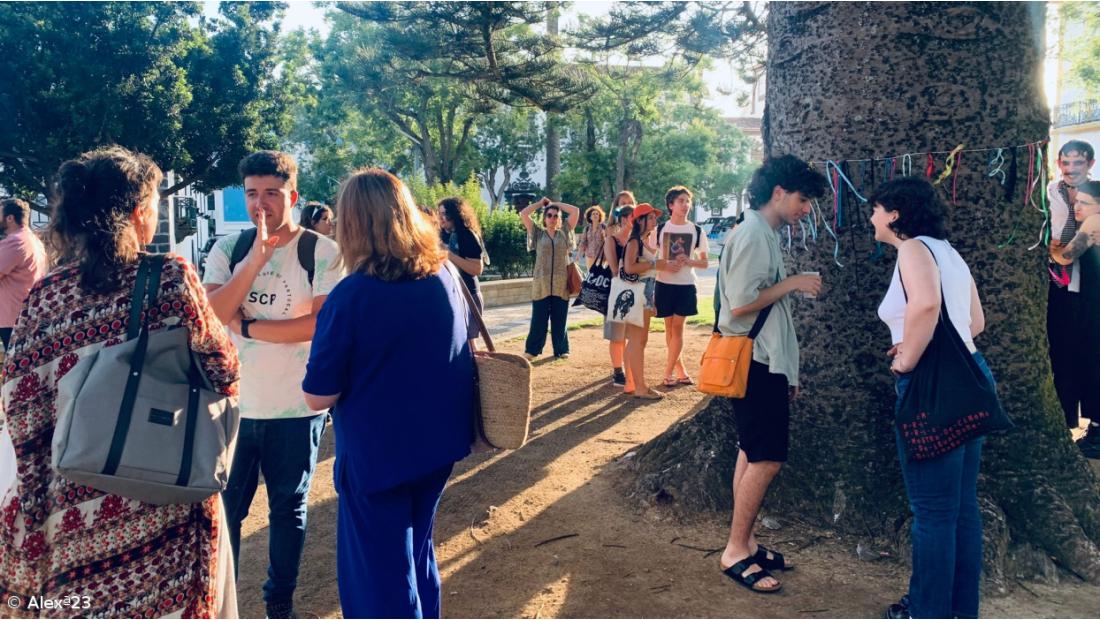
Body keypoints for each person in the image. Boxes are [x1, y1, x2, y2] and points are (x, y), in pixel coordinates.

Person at [0, 146, 240, 618]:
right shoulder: (170, 277)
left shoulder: (45, 296)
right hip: (163, 490)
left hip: (72, 502)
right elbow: (223, 371)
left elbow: (22, 407)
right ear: (137, 211)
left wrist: (36, 505)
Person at [303, 168, 472, 618]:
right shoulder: (444, 277)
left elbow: (317, 396)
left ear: (353, 224)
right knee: (418, 554)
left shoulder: (351, 296)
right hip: (439, 444)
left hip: (378, 456)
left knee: (380, 580)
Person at [202, 150, 343, 619]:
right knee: (226, 513)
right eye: (251, 194)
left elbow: (320, 324)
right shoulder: (229, 250)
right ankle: (225, 599)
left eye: (272, 193)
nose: (261, 204)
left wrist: (248, 328)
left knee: (288, 509)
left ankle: (279, 600)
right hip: (235, 406)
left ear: (293, 196)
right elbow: (213, 315)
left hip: (296, 407)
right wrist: (257, 258)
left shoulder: (321, 251)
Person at [871, 177, 991, 619]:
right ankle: (960, 611)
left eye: (876, 208)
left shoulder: (913, 249)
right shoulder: (949, 252)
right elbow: (974, 321)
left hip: (931, 384)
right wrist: (910, 342)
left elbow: (925, 307)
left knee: (933, 511)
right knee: (961, 507)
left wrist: (906, 358)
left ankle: (926, 612)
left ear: (895, 214)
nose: (871, 217)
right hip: (971, 374)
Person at [717, 155, 825, 594]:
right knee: (766, 457)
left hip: (764, 361)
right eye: (802, 199)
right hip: (757, 362)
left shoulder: (760, 233)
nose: (806, 209)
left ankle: (745, 542)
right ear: (778, 192)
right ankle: (735, 551)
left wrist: (789, 369)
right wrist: (795, 282)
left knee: (752, 451)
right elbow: (741, 303)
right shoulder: (755, 234)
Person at [1046, 140, 1096, 441]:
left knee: (1088, 354)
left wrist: (1056, 250)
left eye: (1078, 163)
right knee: (1060, 352)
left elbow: (1065, 253)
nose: (1071, 169)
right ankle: (1065, 421)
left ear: (1090, 164)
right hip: (1057, 285)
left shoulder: (1096, 195)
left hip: (1087, 283)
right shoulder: (1050, 192)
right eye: (1065, 163)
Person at [654, 186, 710, 387]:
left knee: (677, 329)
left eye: (688, 201)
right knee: (669, 329)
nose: (686, 205)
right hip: (664, 284)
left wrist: (689, 261)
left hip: (686, 285)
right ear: (671, 205)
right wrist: (664, 264)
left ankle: (668, 372)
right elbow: (649, 257)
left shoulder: (696, 231)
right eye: (681, 201)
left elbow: (705, 263)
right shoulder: (660, 229)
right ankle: (680, 370)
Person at [519, 197, 581, 360]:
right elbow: (524, 214)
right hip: (541, 284)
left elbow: (575, 211)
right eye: (550, 215)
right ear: (544, 218)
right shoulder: (538, 233)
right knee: (538, 319)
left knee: (560, 319)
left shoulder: (565, 232)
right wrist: (541, 204)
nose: (553, 218)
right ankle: (532, 350)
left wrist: (555, 204)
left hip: (561, 283)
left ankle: (561, 349)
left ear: (559, 219)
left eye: (556, 216)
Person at [621, 203, 664, 400]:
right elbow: (629, 268)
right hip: (636, 296)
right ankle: (640, 386)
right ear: (641, 220)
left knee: (639, 341)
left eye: (655, 217)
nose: (655, 220)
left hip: (643, 296)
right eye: (651, 217)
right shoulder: (634, 241)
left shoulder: (643, 241)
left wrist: (652, 299)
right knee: (638, 342)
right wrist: (656, 263)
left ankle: (634, 383)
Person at [438, 197, 488, 342]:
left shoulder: (467, 235)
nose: (440, 218)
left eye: (444, 214)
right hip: (451, 294)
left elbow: (477, 269)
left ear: (455, 214)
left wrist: (449, 255)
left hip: (468, 296)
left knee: (469, 346)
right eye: (439, 214)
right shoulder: (443, 234)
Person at [0, 198, 48, 349]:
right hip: (27, 314)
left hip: (12, 318)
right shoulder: (33, 240)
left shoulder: (15, 242)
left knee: (15, 368)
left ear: (10, 218)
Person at [603, 205, 635, 387]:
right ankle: (618, 371)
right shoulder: (612, 240)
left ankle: (629, 369)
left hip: (635, 291)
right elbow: (615, 270)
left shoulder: (638, 240)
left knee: (631, 334)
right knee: (617, 335)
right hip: (616, 291)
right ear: (623, 219)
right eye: (633, 217)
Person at [578, 205, 607, 270]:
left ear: (599, 216)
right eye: (593, 214)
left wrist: (604, 236)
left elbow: (608, 242)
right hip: (589, 256)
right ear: (590, 217)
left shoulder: (604, 228)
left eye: (597, 214)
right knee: (590, 275)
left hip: (601, 256)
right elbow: (583, 242)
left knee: (599, 275)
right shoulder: (587, 228)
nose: (595, 215)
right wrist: (578, 255)